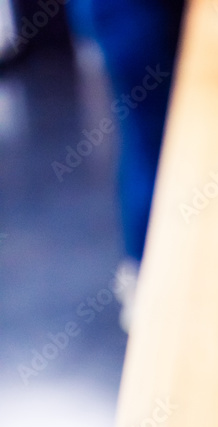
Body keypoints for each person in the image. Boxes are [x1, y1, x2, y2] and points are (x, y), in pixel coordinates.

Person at [70, 0, 185, 330]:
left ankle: (143, 275)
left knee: (144, 139)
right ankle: (146, 281)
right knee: (148, 140)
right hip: (130, 14)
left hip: (128, 14)